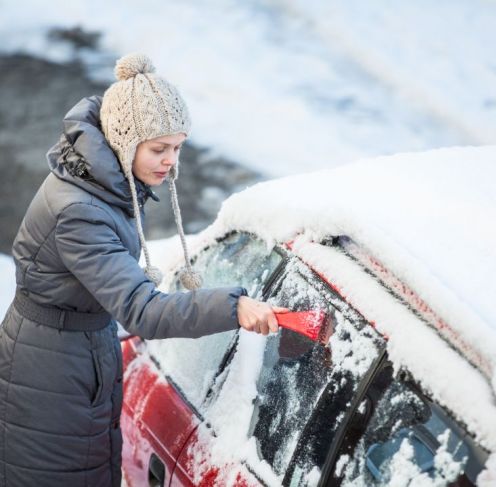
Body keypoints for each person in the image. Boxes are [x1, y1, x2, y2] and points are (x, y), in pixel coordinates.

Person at [0, 53, 284, 487]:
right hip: (51, 374)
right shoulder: (81, 211)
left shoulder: (103, 181)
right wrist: (234, 306)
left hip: (74, 352)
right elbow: (141, 310)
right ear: (124, 141)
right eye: (159, 149)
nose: (171, 161)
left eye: (177, 147)